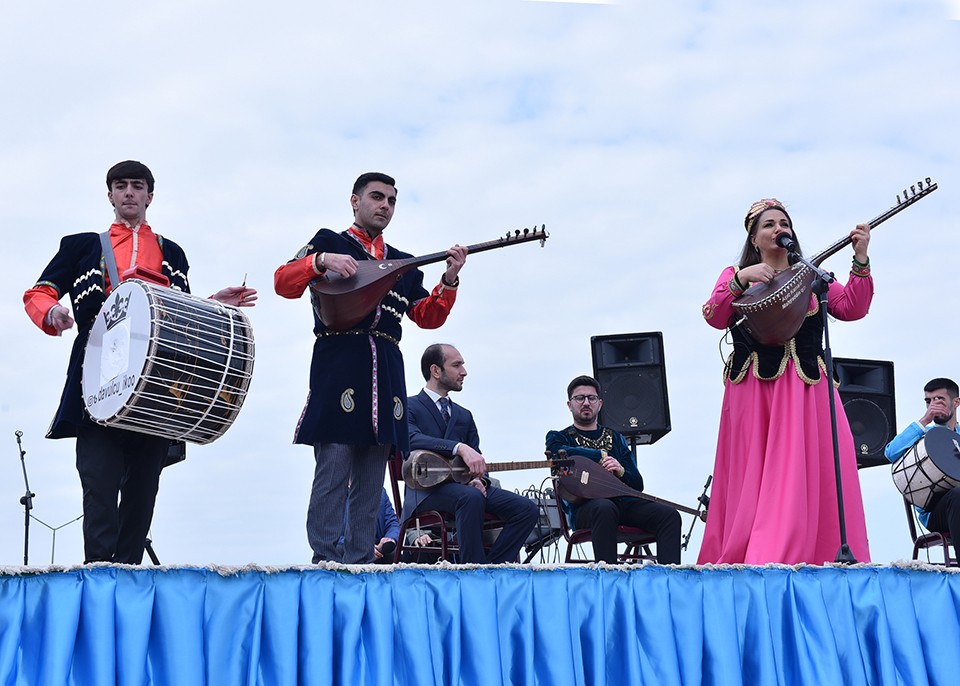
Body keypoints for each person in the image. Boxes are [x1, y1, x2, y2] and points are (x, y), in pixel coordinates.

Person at [22, 160, 257, 564]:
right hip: (95, 378)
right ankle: (98, 573)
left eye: (137, 186)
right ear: (110, 195)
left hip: (158, 383)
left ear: (150, 195)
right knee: (98, 481)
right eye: (121, 186)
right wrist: (51, 313)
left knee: (143, 489)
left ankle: (129, 572)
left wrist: (211, 306)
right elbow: (39, 292)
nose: (129, 192)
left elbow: (178, 315)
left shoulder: (172, 253)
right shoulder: (80, 246)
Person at [274, 172, 467, 564]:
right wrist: (320, 261)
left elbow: (426, 317)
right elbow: (283, 281)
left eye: (392, 200)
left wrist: (449, 278)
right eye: (377, 197)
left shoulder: (403, 265)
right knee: (334, 470)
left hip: (387, 373)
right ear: (354, 201)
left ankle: (361, 562)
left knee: (370, 479)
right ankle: (325, 560)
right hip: (340, 366)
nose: (385, 206)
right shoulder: (330, 241)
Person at [698, 198, 873, 565]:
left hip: (807, 390)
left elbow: (852, 308)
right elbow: (714, 316)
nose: (780, 229)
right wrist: (741, 280)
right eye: (769, 225)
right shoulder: (737, 272)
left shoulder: (812, 274)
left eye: (784, 223)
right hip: (756, 392)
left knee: (812, 471)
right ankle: (761, 552)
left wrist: (860, 257)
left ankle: (821, 549)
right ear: (754, 237)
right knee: (758, 473)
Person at [402, 344, 538, 564]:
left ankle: (491, 568)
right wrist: (458, 447)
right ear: (436, 371)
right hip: (424, 493)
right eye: (457, 365)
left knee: (527, 509)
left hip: (464, 489)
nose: (464, 371)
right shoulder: (409, 406)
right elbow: (410, 439)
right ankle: (471, 569)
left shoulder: (464, 416)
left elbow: (477, 459)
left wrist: (478, 479)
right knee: (470, 498)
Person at [545, 375, 681, 564]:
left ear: (599, 404)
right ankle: (609, 579)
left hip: (623, 504)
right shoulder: (558, 437)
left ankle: (669, 581)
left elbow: (637, 484)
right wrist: (599, 456)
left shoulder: (616, 438)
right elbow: (556, 454)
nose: (586, 403)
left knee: (669, 515)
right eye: (580, 398)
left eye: (591, 398)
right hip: (585, 508)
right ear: (569, 404)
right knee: (605, 508)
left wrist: (621, 470)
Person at [885, 378, 960, 562]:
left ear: (956, 402)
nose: (933, 405)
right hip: (936, 511)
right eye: (928, 401)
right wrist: (925, 420)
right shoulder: (924, 437)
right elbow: (890, 452)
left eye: (939, 400)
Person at [339, 487, 401, 563]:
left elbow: (392, 523)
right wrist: (363, 548)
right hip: (347, 546)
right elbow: (329, 533)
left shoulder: (381, 492)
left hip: (378, 547)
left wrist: (390, 538)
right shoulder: (335, 493)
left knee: (395, 555)